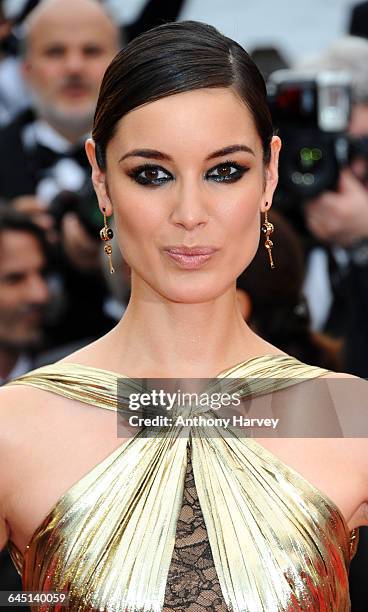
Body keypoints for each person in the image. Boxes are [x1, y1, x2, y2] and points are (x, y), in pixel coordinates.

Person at [0, 21, 367, 611]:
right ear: (100, 178)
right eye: (152, 174)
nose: (190, 213)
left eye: (226, 171)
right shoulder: (14, 426)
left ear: (270, 173)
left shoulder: (350, 416)